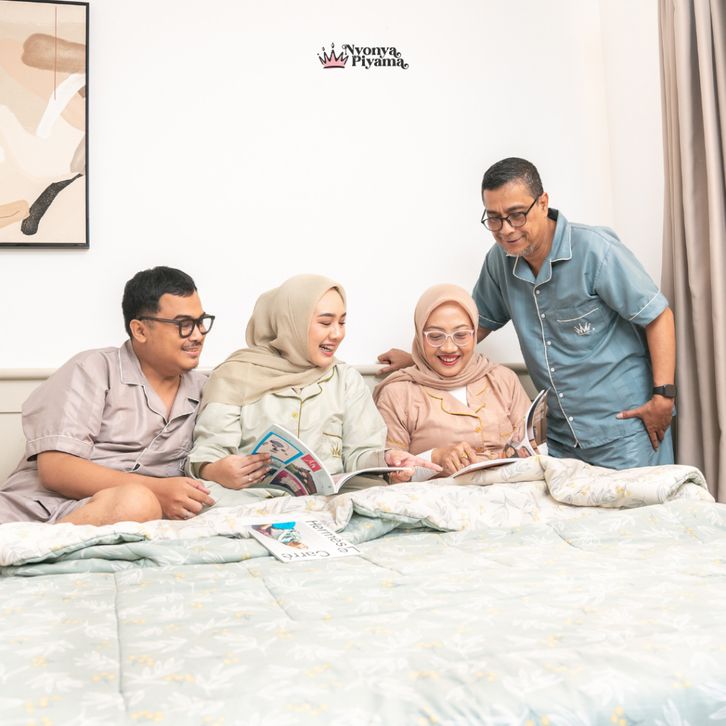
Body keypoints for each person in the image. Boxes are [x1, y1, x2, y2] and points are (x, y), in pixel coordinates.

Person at [379, 158, 676, 469]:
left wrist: (663, 397)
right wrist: (421, 359)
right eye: (494, 219)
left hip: (626, 429)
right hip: (561, 439)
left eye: (517, 215)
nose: (506, 230)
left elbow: (658, 316)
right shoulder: (499, 261)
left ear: (543, 203)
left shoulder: (596, 251)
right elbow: (471, 328)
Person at [0, 266, 216, 526]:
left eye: (201, 322)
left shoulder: (207, 390)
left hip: (124, 518)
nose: (198, 335)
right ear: (140, 330)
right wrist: (156, 490)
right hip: (39, 510)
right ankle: (28, 545)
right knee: (138, 502)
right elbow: (55, 468)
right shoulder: (91, 369)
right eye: (184, 325)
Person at [188, 274, 436, 497]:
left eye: (342, 322)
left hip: (329, 502)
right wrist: (216, 470)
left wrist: (388, 460)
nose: (337, 334)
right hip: (251, 500)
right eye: (325, 323)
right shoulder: (234, 375)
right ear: (290, 323)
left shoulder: (346, 380)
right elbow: (209, 453)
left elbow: (359, 455)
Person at [374, 284, 532, 476]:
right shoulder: (398, 394)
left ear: (475, 334)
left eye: (461, 335)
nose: (449, 348)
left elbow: (533, 449)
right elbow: (390, 474)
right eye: (435, 336)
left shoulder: (503, 380)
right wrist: (434, 458)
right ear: (419, 335)